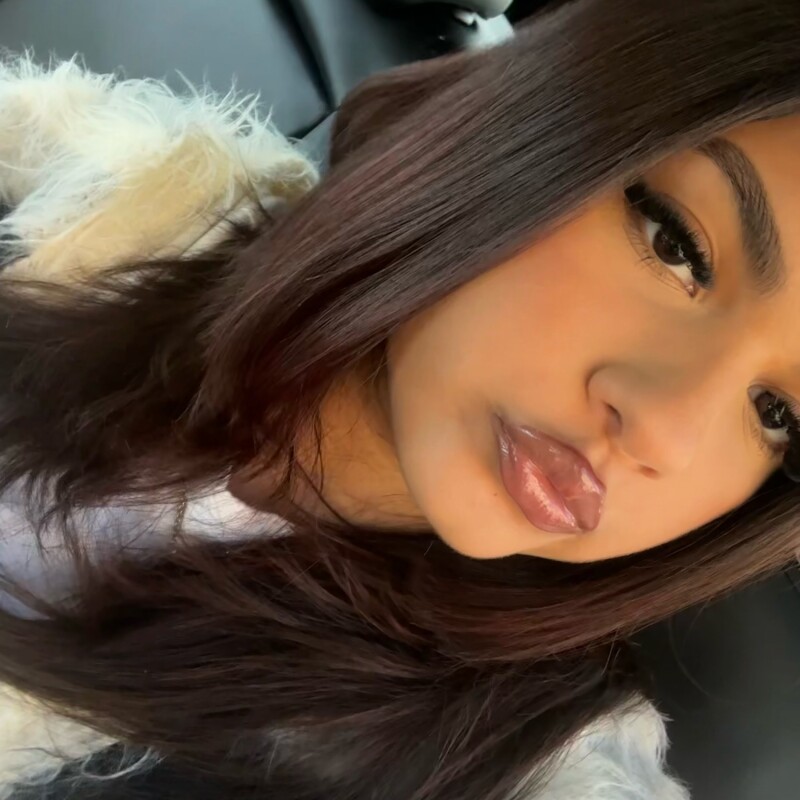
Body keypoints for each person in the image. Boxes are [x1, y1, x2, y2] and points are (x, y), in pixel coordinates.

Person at [0, 0, 798, 797]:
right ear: (532, 122)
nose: (665, 432)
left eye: (778, 415)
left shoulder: (514, 765)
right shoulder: (77, 183)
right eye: (676, 245)